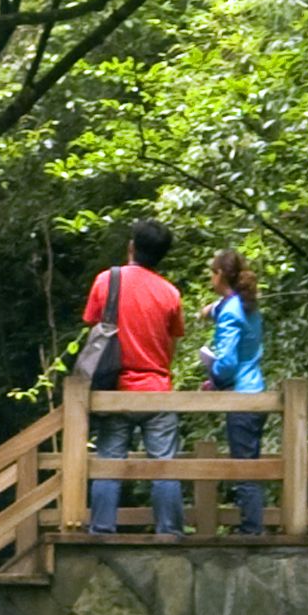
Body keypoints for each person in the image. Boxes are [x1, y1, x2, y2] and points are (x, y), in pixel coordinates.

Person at [83, 219, 187, 536]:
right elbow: (172, 343)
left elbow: (93, 326)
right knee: (164, 465)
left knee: (108, 464)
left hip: (115, 388)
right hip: (157, 388)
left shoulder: (106, 281)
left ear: (131, 246)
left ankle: (102, 529)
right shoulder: (170, 293)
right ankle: (169, 531)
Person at [203, 246, 270, 535]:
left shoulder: (230, 312)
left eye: (212, 272)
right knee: (250, 462)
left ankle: (251, 529)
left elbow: (228, 362)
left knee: (244, 467)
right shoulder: (247, 306)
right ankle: (251, 525)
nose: (209, 278)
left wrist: (214, 375)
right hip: (256, 390)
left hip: (240, 395)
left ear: (220, 275)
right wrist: (209, 310)